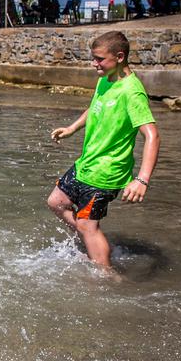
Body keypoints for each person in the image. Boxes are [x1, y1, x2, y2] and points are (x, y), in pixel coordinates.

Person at [47, 31, 160, 271]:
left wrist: (142, 179)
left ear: (119, 57)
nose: (94, 64)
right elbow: (94, 107)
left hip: (107, 172)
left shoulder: (132, 92)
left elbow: (152, 135)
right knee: (56, 202)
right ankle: (90, 239)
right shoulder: (105, 78)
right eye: (93, 58)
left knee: (88, 226)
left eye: (99, 59)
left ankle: (108, 278)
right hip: (88, 162)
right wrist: (72, 128)